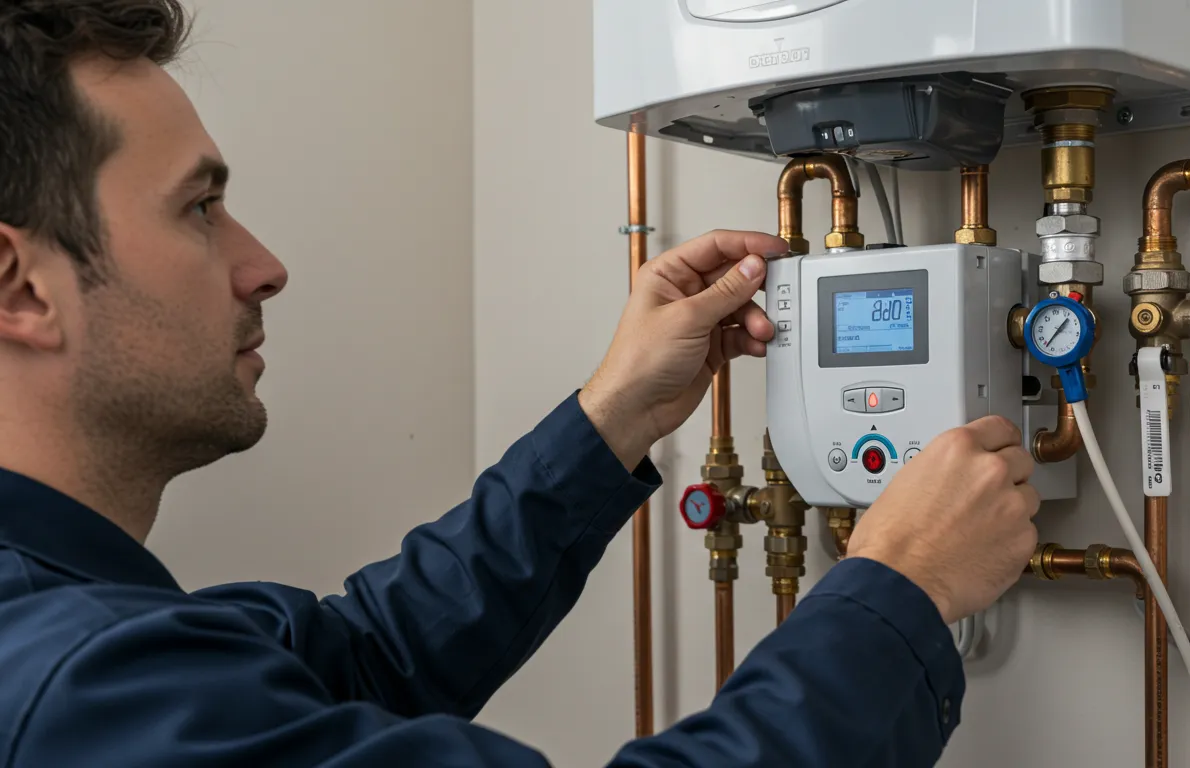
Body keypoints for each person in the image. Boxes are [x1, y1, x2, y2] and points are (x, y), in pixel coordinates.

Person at [0, 2, 1041, 766]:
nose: (263, 263)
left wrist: (613, 414)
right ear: (21, 288)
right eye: (197, 209)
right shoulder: (77, 693)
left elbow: (366, 659)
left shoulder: (73, 627)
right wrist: (899, 588)